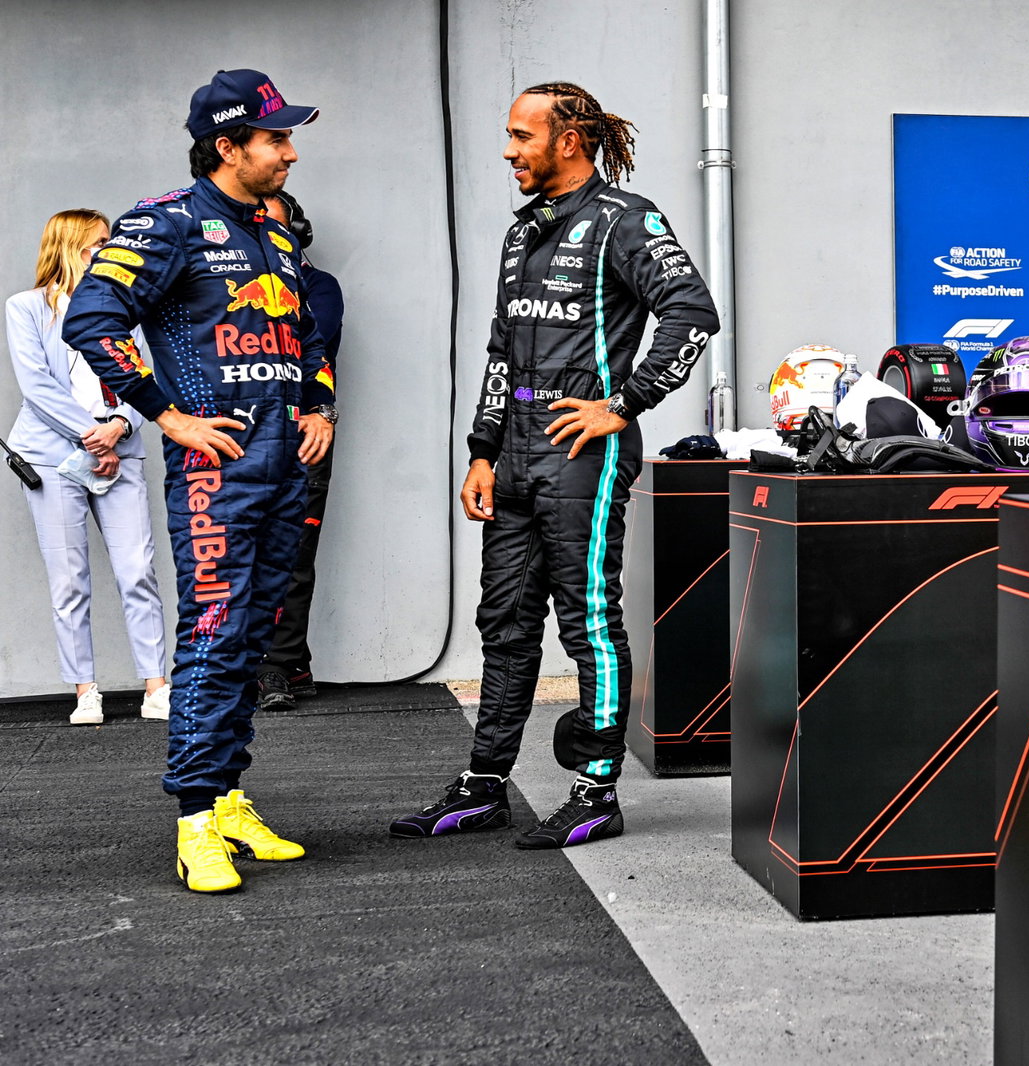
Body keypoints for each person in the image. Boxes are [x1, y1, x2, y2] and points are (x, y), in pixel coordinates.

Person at [389, 82, 719, 848]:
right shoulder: (522, 232)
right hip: (514, 451)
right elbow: (503, 350)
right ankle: (484, 784)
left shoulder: (624, 220)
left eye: (519, 136)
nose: (508, 151)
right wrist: (481, 450)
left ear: (568, 140)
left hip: (584, 448)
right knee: (503, 622)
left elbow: (693, 311)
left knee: (588, 623)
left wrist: (625, 402)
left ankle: (595, 789)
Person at [63, 69, 336, 894]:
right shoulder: (166, 222)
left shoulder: (277, 234)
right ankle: (192, 822)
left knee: (253, 643)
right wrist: (167, 416)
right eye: (275, 138)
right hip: (216, 471)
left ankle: (225, 798)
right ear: (227, 146)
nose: (289, 151)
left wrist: (319, 403)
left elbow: (305, 332)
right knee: (213, 639)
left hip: (285, 464)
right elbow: (91, 320)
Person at [6, 209, 170, 725]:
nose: (109, 250)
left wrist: (117, 428)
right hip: (54, 456)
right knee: (69, 580)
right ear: (73, 246)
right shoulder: (26, 308)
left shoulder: (129, 311)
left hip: (119, 445)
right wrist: (90, 435)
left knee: (138, 571)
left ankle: (156, 686)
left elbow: (144, 376)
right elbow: (36, 386)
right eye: (100, 242)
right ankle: (85, 692)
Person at [257, 189, 344, 709]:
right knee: (244, 555)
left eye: (273, 225)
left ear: (297, 233)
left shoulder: (318, 288)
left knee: (292, 557)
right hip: (242, 433)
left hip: (306, 432)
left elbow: (300, 338)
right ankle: (289, 662)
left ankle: (278, 666)